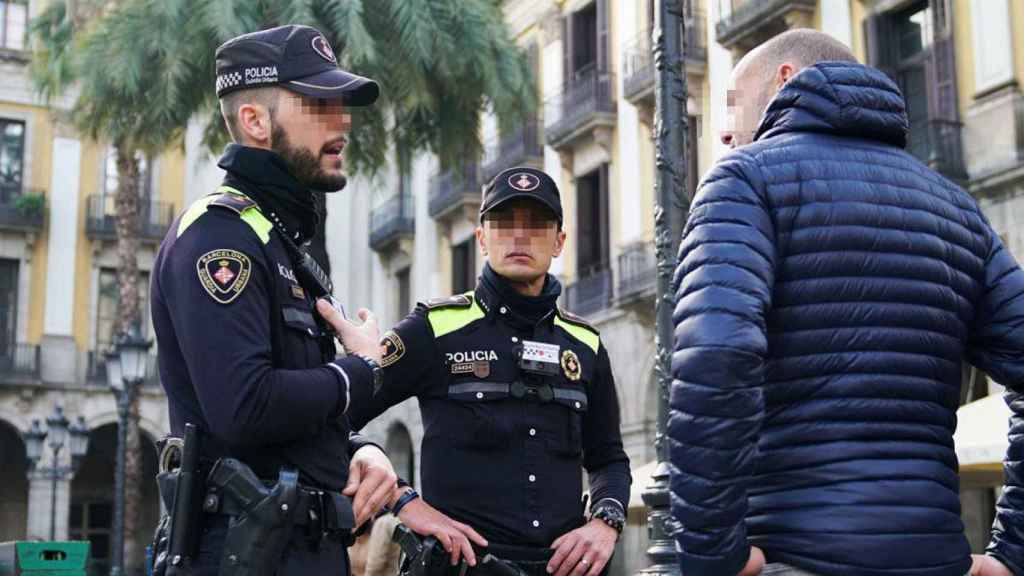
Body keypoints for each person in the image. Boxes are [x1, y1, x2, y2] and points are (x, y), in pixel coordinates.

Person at [668, 28, 1021, 576]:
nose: (724, 133)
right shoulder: (958, 210)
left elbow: (716, 356)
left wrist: (712, 552)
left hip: (793, 558)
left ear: (786, 80)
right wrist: (1013, 550)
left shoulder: (744, 181)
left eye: (733, 106)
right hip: (933, 560)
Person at [151, 24, 400, 575]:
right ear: (255, 121)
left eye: (342, 105)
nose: (343, 122)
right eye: (319, 104)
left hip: (299, 551)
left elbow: (289, 422)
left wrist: (358, 448)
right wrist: (358, 372)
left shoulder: (276, 239)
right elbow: (244, 406)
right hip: (241, 555)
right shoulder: (218, 235)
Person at [323, 167, 632, 576]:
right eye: (504, 222)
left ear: (559, 241)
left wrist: (604, 523)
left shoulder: (586, 345)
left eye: (536, 224)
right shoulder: (433, 329)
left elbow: (609, 457)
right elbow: (332, 419)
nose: (520, 237)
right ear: (482, 237)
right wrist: (403, 500)